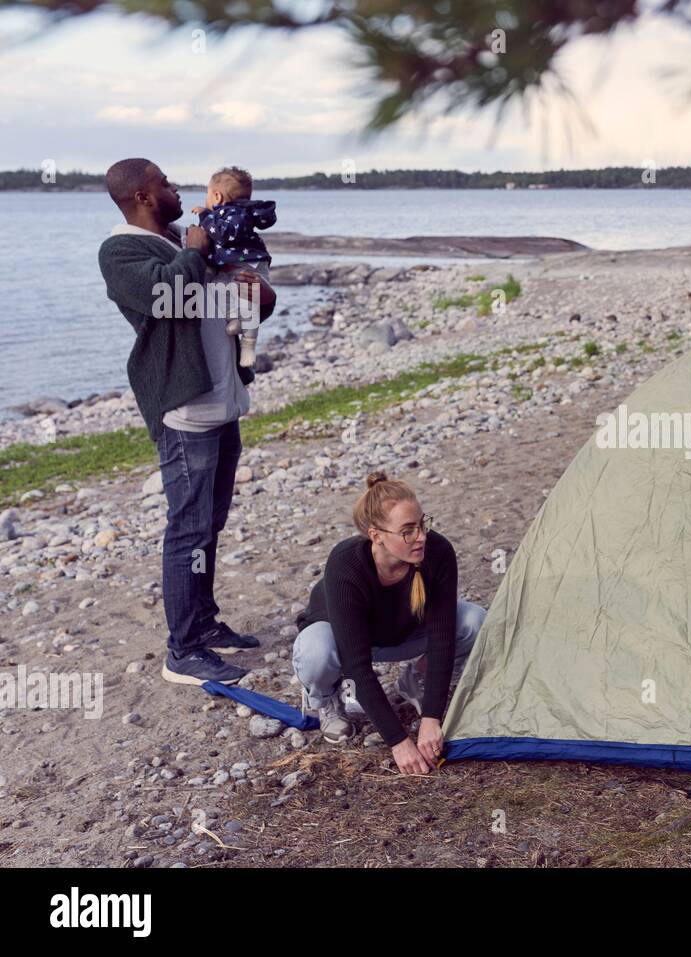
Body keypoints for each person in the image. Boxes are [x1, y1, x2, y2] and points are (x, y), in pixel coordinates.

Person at [98, 158, 276, 687]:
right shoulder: (122, 251)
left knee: (209, 524)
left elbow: (226, 302)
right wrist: (197, 251)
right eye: (165, 183)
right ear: (143, 197)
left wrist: (262, 298)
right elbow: (165, 298)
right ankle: (183, 651)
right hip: (185, 411)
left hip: (223, 402)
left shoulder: (184, 240)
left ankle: (204, 621)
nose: (177, 188)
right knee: (189, 530)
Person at [293, 472, 486, 775]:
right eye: (407, 531)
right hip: (347, 642)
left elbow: (442, 636)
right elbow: (356, 665)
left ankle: (414, 680)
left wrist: (431, 719)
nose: (420, 536)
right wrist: (398, 741)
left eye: (422, 524)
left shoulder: (438, 552)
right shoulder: (346, 564)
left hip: (403, 633)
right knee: (316, 651)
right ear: (377, 535)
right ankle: (325, 698)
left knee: (474, 621)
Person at [189, 166, 277, 368]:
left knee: (248, 301)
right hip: (242, 263)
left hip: (246, 265)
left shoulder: (233, 214)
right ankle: (236, 319)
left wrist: (205, 216)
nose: (206, 200)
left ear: (217, 196)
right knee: (220, 291)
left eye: (207, 195)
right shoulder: (238, 213)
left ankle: (248, 348)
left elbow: (223, 234)